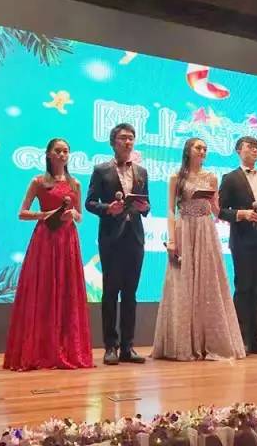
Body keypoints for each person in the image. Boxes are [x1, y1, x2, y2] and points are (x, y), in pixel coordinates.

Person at [3, 138, 94, 371]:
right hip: (45, 239)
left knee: (66, 292)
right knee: (43, 291)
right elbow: (22, 213)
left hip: (68, 240)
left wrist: (73, 214)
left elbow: (80, 216)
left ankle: (66, 349)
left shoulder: (75, 183)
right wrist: (46, 214)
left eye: (66, 151)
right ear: (49, 154)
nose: (62, 155)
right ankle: (40, 350)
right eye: (58, 151)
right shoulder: (38, 182)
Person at [152, 138, 245, 361]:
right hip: (185, 228)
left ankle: (207, 341)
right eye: (198, 147)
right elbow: (170, 210)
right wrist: (172, 240)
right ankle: (184, 343)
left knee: (208, 284)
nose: (202, 151)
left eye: (205, 148)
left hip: (206, 230)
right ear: (188, 150)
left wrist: (237, 213)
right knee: (183, 283)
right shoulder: (176, 177)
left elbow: (216, 210)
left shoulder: (211, 177)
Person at [85, 123, 150, 365]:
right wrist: (107, 208)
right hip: (111, 238)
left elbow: (146, 204)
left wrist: (145, 207)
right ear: (113, 142)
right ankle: (110, 346)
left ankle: (128, 347)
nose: (128, 142)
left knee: (130, 294)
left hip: (135, 237)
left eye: (131, 138)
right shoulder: (101, 170)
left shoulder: (142, 172)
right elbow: (90, 203)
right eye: (123, 138)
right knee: (111, 292)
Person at [218, 136, 257, 355]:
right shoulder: (230, 178)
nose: (254, 150)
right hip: (242, 239)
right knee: (243, 288)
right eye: (250, 147)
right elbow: (220, 210)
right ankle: (241, 339)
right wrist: (241, 214)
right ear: (238, 151)